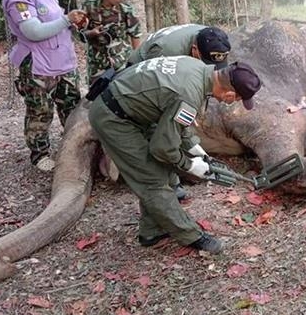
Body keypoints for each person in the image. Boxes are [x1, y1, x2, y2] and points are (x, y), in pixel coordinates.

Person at [88, 56, 262, 253]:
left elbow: (175, 118)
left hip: (133, 109)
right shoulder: (189, 94)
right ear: (230, 95)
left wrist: (195, 148)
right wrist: (189, 165)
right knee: (153, 179)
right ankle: (192, 236)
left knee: (164, 170)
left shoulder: (199, 70)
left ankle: (151, 231)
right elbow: (162, 148)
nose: (233, 102)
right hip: (113, 118)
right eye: (238, 99)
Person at [2, 0, 85, 171]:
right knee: (41, 110)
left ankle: (75, 147)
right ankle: (40, 154)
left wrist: (75, 22)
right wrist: (66, 20)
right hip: (38, 63)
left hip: (62, 60)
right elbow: (33, 31)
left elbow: (56, 19)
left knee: (71, 105)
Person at [127, 24, 232, 201]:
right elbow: (165, 98)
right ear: (194, 50)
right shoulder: (166, 51)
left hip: (170, 74)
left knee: (178, 124)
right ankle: (169, 182)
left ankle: (179, 163)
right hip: (141, 77)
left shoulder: (212, 38)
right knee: (159, 130)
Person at [82, 0, 141, 83]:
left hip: (122, 65)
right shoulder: (89, 6)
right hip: (98, 66)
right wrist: (92, 33)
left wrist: (136, 65)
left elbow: (135, 37)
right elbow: (80, 34)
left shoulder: (126, 9)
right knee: (97, 98)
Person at [128, 24, 231, 68]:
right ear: (195, 50)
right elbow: (153, 82)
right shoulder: (168, 51)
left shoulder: (210, 35)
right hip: (139, 66)